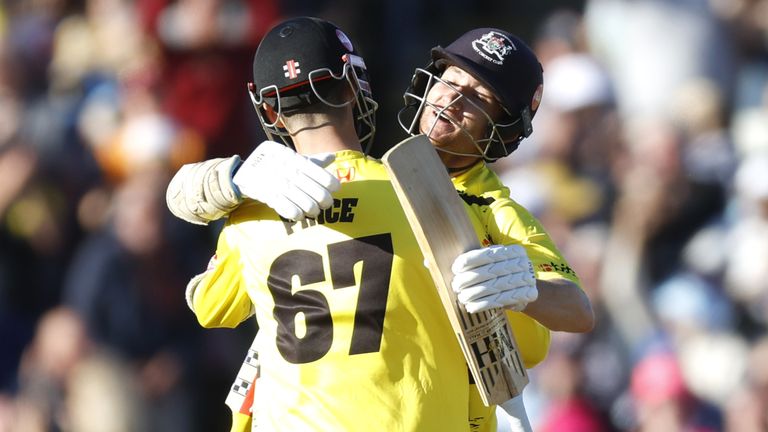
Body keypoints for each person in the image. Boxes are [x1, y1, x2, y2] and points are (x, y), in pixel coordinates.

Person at [177, 16, 545, 431]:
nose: (453, 102)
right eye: (453, 82)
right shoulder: (432, 201)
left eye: (478, 97)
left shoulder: (251, 212)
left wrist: (226, 191)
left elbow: (209, 307)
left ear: (269, 111)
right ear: (353, 84)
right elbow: (529, 344)